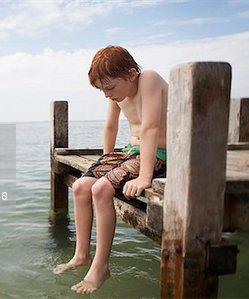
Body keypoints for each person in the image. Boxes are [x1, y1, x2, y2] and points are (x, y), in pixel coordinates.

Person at [53, 45, 168, 294]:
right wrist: (106, 163)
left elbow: (150, 129)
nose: (106, 94)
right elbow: (110, 127)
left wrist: (145, 176)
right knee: (82, 186)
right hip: (130, 151)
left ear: (131, 73)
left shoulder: (149, 79)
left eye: (109, 87)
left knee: (102, 190)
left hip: (159, 154)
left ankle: (100, 267)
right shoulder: (119, 94)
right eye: (102, 89)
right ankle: (82, 254)